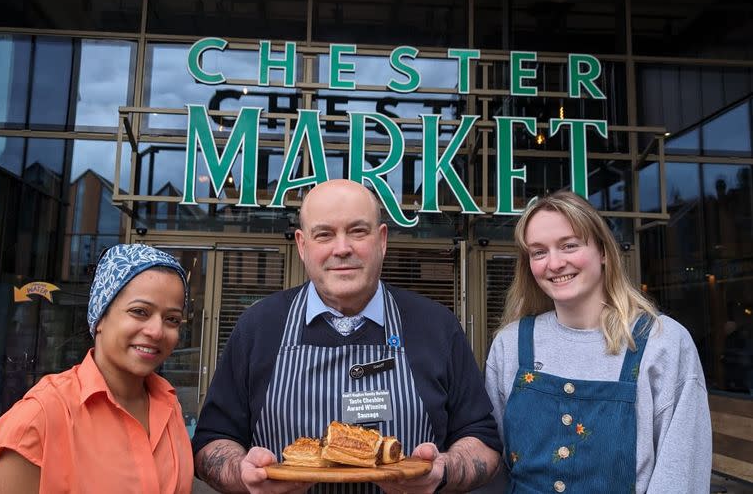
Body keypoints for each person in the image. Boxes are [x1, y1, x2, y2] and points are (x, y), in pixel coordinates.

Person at [192, 179, 502, 493]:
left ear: (382, 240)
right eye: (324, 234)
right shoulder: (259, 326)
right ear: (302, 245)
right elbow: (211, 443)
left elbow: (484, 441)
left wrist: (443, 471)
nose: (342, 249)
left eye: (357, 231)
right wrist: (244, 475)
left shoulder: (435, 326)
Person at [484, 191, 711, 493]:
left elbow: (681, 474)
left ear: (603, 251)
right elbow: (494, 463)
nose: (554, 263)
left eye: (570, 245)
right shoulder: (510, 344)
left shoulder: (661, 342)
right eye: (539, 252)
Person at [0, 244, 194, 494]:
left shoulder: (170, 406)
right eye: (139, 312)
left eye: (171, 319)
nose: (157, 331)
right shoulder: (38, 419)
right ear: (101, 316)